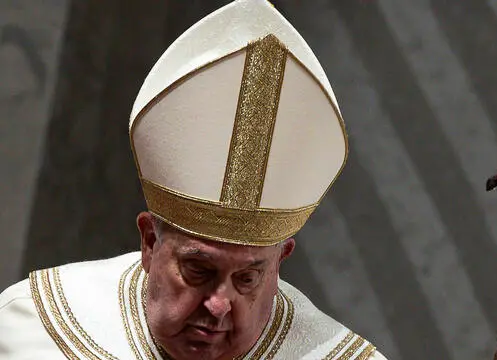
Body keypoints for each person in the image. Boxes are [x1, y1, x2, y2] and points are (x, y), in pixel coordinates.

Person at [0, 0, 388, 359]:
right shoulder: (32, 333)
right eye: (199, 271)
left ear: (280, 262)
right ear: (150, 242)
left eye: (247, 278)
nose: (219, 305)